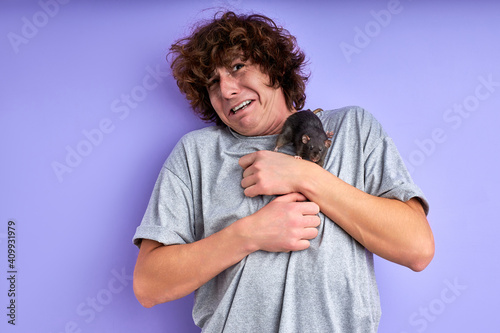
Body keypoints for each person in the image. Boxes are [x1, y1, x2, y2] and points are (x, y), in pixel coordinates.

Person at [132, 11, 434, 332]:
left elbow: (417, 249)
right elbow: (149, 285)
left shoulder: (351, 129)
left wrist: (305, 176)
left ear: (274, 66)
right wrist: (250, 234)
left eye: (237, 67)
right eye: (213, 82)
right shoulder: (196, 153)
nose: (227, 90)